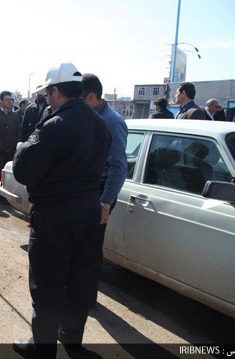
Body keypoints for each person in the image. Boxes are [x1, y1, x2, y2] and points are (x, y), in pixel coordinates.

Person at [12, 63, 110, 358]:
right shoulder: (100, 124)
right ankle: (72, 340)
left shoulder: (55, 126)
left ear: (56, 91)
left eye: (47, 94)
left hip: (55, 218)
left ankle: (42, 349)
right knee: (80, 281)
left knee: (47, 286)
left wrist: (20, 148)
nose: (46, 100)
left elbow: (25, 171)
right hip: (89, 215)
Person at [81, 73, 128, 308]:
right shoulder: (89, 117)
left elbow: (118, 167)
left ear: (91, 96)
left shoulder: (112, 122)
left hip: (99, 195)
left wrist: (105, 203)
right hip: (86, 191)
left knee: (90, 251)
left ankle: (87, 300)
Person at [0, 91, 21, 202]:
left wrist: (17, 143)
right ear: (1, 102)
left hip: (11, 150)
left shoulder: (15, 116)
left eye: (11, 99)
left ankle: (4, 197)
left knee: (7, 175)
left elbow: (18, 131)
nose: (10, 101)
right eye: (7, 99)